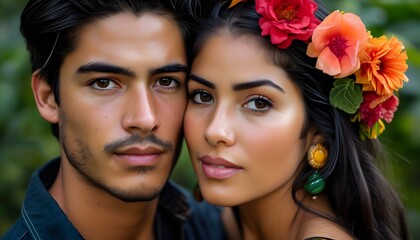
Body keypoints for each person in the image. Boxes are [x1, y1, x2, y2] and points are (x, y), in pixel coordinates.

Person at [1, 0, 228, 239]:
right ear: (48, 98)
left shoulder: (223, 229)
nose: (145, 118)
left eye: (166, 82)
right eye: (104, 83)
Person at [184, 0, 409, 239]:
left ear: (317, 129)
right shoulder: (216, 223)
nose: (215, 130)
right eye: (202, 96)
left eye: (259, 103)